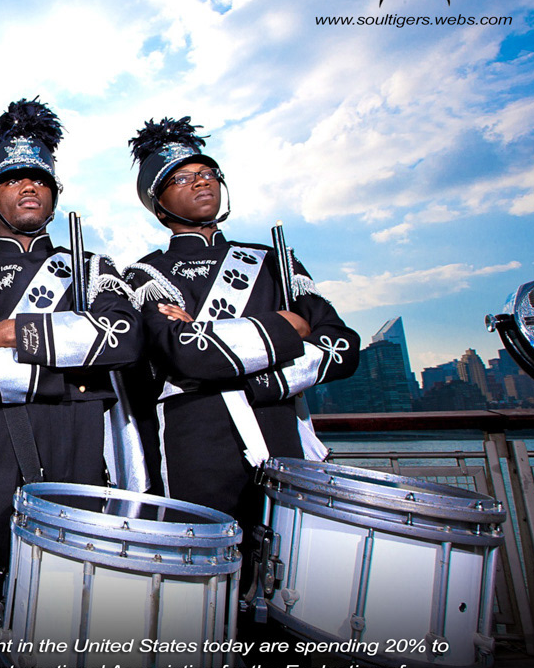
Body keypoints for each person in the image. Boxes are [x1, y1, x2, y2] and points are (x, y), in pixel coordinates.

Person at [0, 98, 145, 641]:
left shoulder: (93, 266)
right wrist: (73, 366)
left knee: (81, 594)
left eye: (40, 180)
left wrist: (7, 334)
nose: (28, 187)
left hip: (82, 438)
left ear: (54, 195)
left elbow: (124, 340)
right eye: (12, 179)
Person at [122, 115, 360, 589]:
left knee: (290, 582)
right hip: (195, 444)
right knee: (204, 586)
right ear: (158, 204)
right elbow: (185, 355)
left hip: (283, 434)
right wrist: (287, 327)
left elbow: (342, 346)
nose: (201, 182)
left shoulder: (274, 260)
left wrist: (256, 372)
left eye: (207, 172)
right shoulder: (144, 274)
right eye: (182, 178)